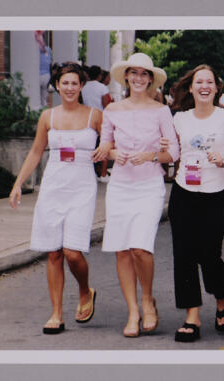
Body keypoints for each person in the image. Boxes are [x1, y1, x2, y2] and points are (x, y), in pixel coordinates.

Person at [92, 53, 180, 337]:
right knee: (122, 249)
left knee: (141, 248)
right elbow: (105, 145)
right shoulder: (113, 110)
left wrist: (152, 154)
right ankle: (132, 311)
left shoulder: (161, 110)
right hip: (120, 185)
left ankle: (147, 299)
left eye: (145, 74)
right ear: (126, 77)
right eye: (134, 73)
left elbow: (174, 153)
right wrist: (116, 152)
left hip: (148, 186)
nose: (139, 79)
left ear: (150, 79)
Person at [9, 62, 100, 335]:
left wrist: (106, 150)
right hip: (53, 187)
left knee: (73, 253)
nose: (69, 88)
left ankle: (85, 291)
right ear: (57, 86)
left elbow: (112, 143)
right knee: (54, 252)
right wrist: (18, 184)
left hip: (82, 187)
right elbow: (36, 152)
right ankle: (56, 314)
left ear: (81, 86)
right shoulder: (47, 117)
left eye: (74, 83)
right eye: (65, 83)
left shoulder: (95, 115)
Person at [167, 65, 224, 342]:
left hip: (214, 193)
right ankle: (192, 316)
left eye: (209, 82)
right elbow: (171, 152)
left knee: (209, 253)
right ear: (191, 87)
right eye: (198, 81)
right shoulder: (179, 118)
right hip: (183, 191)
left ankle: (223, 297)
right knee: (184, 254)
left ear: (216, 88)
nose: (204, 86)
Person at [35, 31, 52, 107]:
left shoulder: (35, 49)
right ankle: (44, 112)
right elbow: (49, 62)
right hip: (47, 75)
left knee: (36, 98)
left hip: (37, 75)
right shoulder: (48, 50)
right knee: (44, 99)